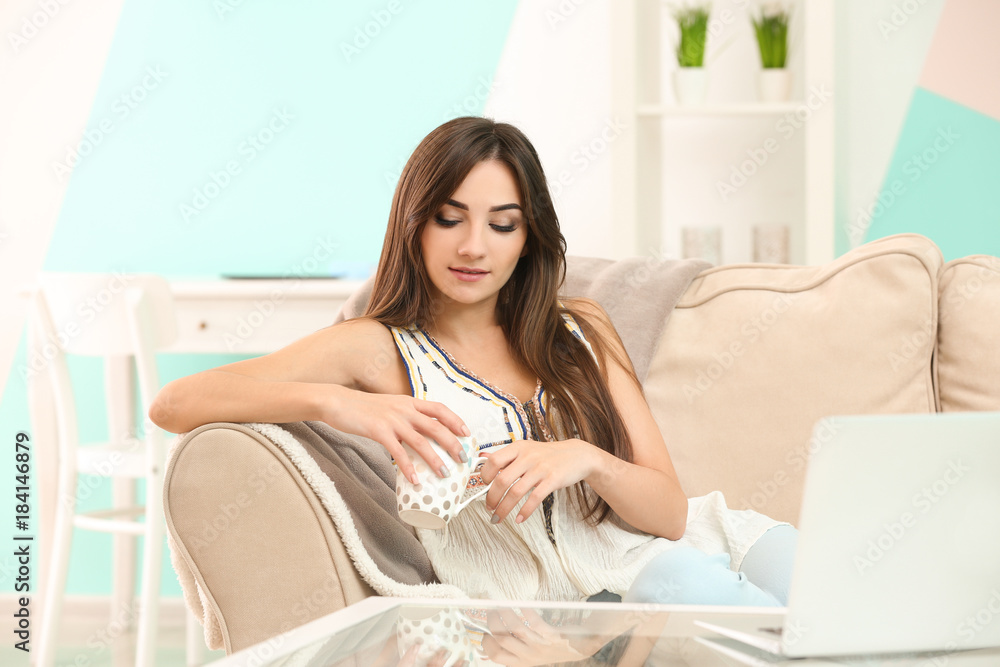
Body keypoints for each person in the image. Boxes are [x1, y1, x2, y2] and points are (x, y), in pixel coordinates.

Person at [150, 116, 797, 606]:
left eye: (502, 223)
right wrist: (343, 402)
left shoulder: (582, 330)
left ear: (528, 234)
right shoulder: (376, 347)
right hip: (612, 598)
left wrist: (587, 457)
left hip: (704, 540)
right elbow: (174, 403)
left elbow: (673, 514)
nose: (472, 246)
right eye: (449, 217)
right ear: (415, 222)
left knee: (845, 610)